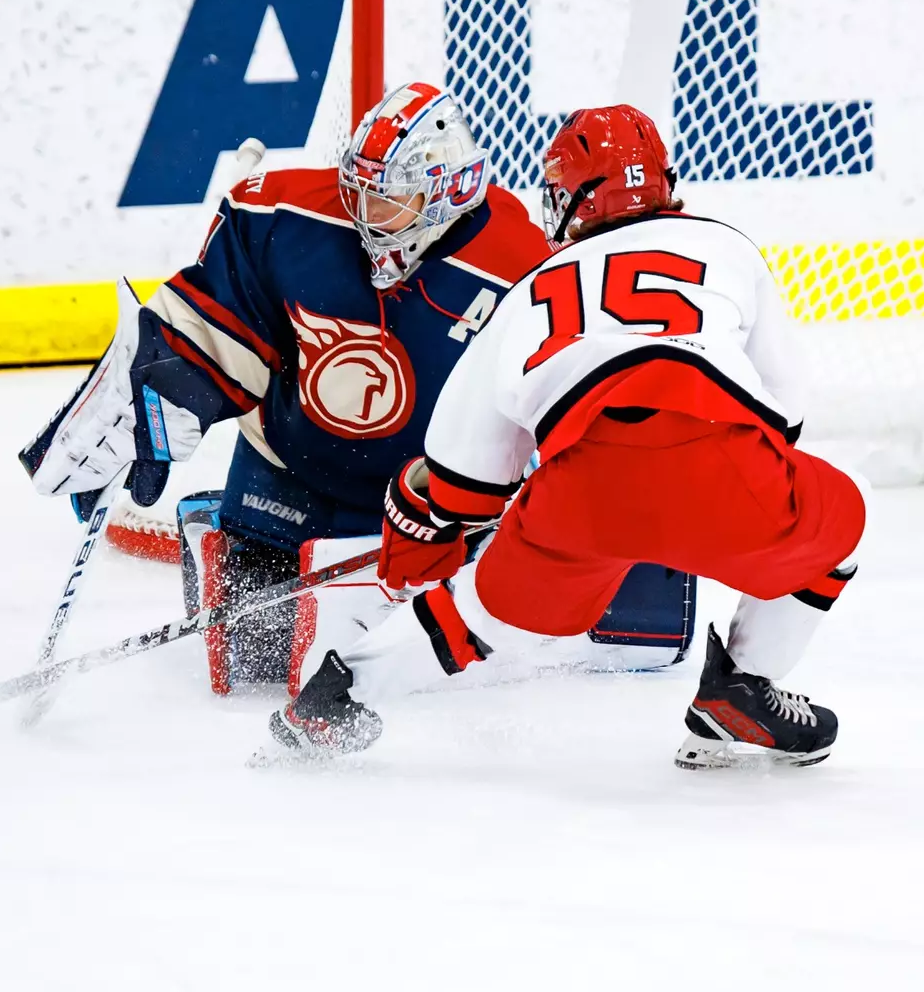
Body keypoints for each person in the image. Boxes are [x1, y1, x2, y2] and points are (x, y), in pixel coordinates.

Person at [21, 85, 696, 693]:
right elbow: (218, 321)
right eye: (359, 191)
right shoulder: (285, 213)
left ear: (444, 192)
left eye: (388, 199)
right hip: (294, 467)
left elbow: (549, 408)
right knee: (251, 663)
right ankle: (220, 517)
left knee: (412, 670)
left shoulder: (522, 270)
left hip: (424, 500)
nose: (366, 215)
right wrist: (156, 396)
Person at [272, 104, 867, 769]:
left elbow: (464, 469)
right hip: (725, 467)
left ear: (577, 196)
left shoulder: (531, 288)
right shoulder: (728, 246)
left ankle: (335, 696)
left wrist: (454, 519)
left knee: (479, 615)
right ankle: (741, 688)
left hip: (582, 491)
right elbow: (787, 409)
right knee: (843, 516)